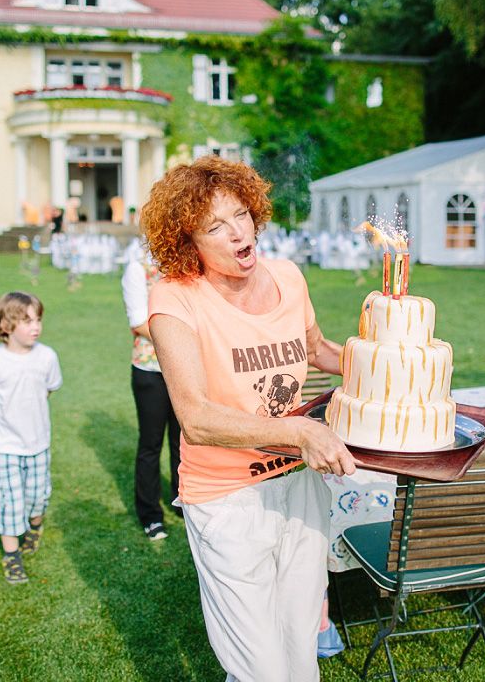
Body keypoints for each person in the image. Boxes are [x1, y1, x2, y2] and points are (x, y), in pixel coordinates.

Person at [142, 156, 355, 681]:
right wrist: (300, 430)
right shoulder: (174, 299)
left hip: (300, 484)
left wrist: (387, 357)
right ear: (187, 242)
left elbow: (317, 350)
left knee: (301, 639)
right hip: (227, 498)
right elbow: (195, 418)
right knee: (258, 663)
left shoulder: (287, 276)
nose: (239, 233)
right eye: (215, 226)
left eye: (241, 214)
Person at [0, 292, 63, 584]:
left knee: (37, 496)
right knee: (10, 501)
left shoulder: (47, 356)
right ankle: (12, 556)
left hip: (37, 442)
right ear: (6, 325)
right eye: (26, 321)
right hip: (5, 445)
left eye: (37, 319)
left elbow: (47, 389)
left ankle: (35, 526)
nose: (35, 326)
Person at [121, 241, 181, 540]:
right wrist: (180, 334)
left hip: (183, 370)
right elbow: (137, 322)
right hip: (150, 371)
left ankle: (182, 499)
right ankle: (150, 513)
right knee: (151, 444)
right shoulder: (138, 269)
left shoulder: (185, 266)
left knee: (183, 441)